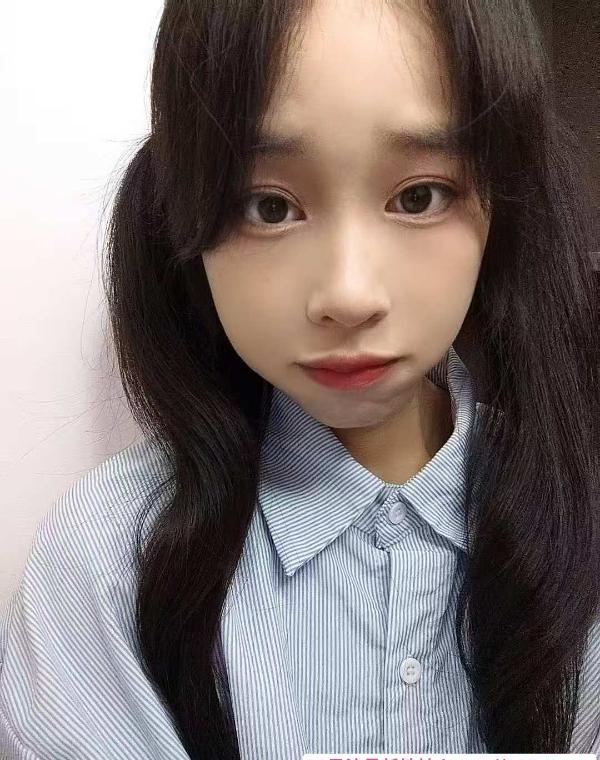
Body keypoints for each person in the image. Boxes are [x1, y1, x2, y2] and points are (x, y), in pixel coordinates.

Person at [1, 0, 599, 757]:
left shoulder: (580, 524)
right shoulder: (108, 559)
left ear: (497, 205)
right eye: (269, 206)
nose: (348, 294)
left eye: (419, 196)